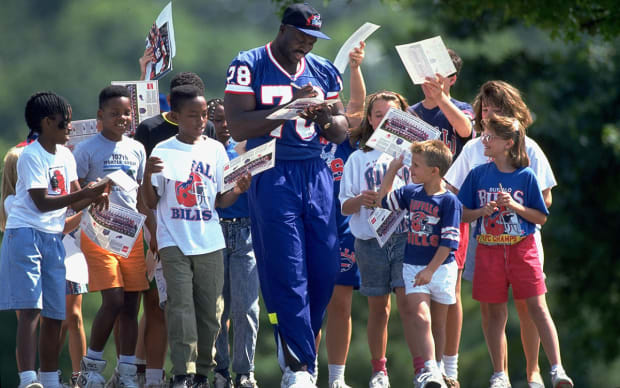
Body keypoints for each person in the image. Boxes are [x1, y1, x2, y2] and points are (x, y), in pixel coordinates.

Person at [223, 3, 348, 387]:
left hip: (316, 172)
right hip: (273, 171)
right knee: (287, 268)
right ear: (282, 30)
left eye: (312, 39)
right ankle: (298, 365)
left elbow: (342, 130)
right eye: (300, 37)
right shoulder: (248, 64)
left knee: (326, 270)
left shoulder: (323, 68)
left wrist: (326, 117)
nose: (306, 45)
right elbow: (238, 125)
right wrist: (289, 108)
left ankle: (297, 346)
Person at [444, 80, 557, 388]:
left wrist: (514, 205)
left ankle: (533, 372)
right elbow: (452, 192)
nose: (487, 115)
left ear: (510, 114)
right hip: (485, 238)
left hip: (523, 240)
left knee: (527, 304)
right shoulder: (473, 148)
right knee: (491, 307)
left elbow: (545, 199)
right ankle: (501, 374)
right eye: (484, 109)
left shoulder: (528, 147)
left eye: (496, 109)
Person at [141, 85, 251, 388]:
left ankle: (204, 371)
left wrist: (238, 190)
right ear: (176, 116)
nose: (201, 120)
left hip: (210, 240)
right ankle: (182, 372)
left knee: (211, 310)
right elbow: (151, 201)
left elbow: (219, 200)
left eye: (204, 115)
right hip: (173, 239)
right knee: (179, 306)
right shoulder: (163, 150)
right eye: (193, 116)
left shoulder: (214, 149)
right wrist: (148, 174)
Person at [0, 91, 108, 388]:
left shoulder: (66, 155)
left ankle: (49, 378)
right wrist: (85, 194)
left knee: (54, 311)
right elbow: (42, 202)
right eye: (65, 123)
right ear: (47, 122)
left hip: (53, 238)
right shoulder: (31, 156)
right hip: (25, 235)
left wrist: (96, 195)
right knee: (31, 308)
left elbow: (74, 199)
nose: (70, 128)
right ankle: (27, 378)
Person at [133, 71, 214, 388]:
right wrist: (153, 233)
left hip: (194, 227)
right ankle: (153, 376)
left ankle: (192, 373)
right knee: (156, 303)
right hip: (155, 223)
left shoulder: (205, 129)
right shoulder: (150, 128)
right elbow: (142, 186)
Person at [74, 85, 149, 387]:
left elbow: (141, 196)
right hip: (98, 232)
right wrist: (93, 192)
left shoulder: (137, 149)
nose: (121, 118)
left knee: (132, 304)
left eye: (126, 113)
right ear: (99, 116)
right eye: (114, 113)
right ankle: (91, 368)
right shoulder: (87, 150)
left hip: (131, 233)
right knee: (113, 299)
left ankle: (127, 372)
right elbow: (75, 197)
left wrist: (151, 233)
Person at [408, 49, 473, 387]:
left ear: (451, 79)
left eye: (437, 74)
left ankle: (451, 367)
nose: (428, 80)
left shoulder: (460, 108)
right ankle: (426, 366)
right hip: (417, 209)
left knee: (450, 289)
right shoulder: (411, 111)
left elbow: (464, 131)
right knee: (417, 286)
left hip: (450, 208)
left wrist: (443, 98)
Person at [339, 91, 412, 388]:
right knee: (379, 307)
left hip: (405, 235)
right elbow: (344, 205)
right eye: (378, 115)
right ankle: (379, 371)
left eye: (391, 115)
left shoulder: (413, 154)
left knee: (410, 303)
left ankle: (423, 365)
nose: (384, 121)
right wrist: (360, 199)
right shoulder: (358, 158)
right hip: (370, 240)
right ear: (369, 119)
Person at [376, 139, 461, 388]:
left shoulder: (449, 202)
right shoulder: (411, 192)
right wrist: (393, 169)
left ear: (434, 171)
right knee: (421, 317)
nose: (411, 170)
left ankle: (441, 371)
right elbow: (384, 201)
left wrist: (431, 270)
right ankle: (430, 371)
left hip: (441, 268)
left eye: (415, 166)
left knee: (439, 323)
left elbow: (448, 243)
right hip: (413, 266)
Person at [208, 98, 260, 388]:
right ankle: (220, 369)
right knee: (218, 308)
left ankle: (244, 371)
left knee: (247, 306)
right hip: (214, 230)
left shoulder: (252, 149)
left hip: (246, 231)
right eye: (217, 119)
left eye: (229, 119)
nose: (224, 125)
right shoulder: (207, 150)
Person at [323, 42, 366, 388]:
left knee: (340, 301)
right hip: (307, 222)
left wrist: (353, 69)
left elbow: (357, 105)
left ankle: (337, 377)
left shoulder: (347, 139)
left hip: (343, 225)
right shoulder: (300, 136)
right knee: (305, 298)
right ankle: (301, 369)